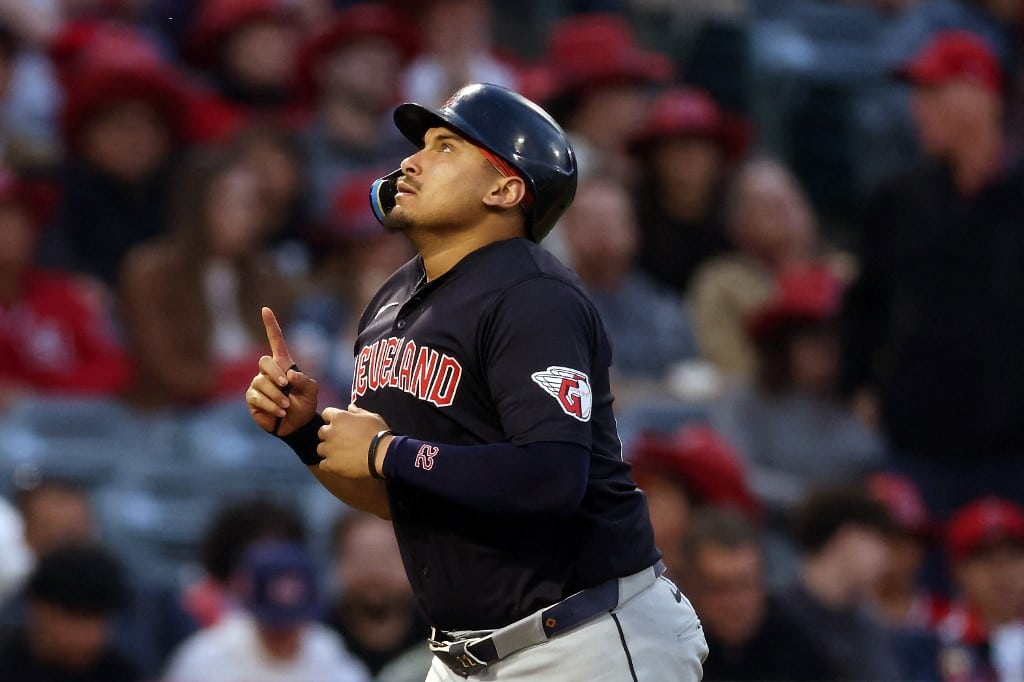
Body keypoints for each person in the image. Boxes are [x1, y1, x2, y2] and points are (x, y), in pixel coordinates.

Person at [245, 83, 708, 680]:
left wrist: (387, 450)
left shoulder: (532, 294)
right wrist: (306, 434)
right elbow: (404, 496)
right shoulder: (390, 303)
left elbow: (551, 477)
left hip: (584, 638)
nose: (409, 161)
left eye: (444, 147)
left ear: (505, 188)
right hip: (468, 656)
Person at [839, 30, 1024, 514]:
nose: (917, 109)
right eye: (918, 94)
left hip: (1014, 447)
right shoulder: (897, 200)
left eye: (933, 92)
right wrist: (857, 383)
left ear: (982, 96)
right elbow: (865, 302)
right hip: (920, 445)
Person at [119, 145, 293, 409]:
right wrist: (246, 374)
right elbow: (167, 371)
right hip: (178, 416)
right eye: (234, 204)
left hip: (254, 412)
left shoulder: (264, 275)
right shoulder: (152, 272)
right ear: (199, 207)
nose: (247, 218)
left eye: (253, 206)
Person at [164, 539, 368, 682]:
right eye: (274, 622)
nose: (283, 632)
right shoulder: (209, 653)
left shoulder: (328, 652)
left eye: (293, 621)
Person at [682, 508, 834, 681]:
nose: (734, 603)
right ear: (692, 589)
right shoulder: (670, 651)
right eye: (718, 588)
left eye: (744, 585)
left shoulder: (798, 644)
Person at [776, 485, 903, 680]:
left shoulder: (867, 624)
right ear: (847, 538)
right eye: (878, 541)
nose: (885, 557)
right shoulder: (775, 615)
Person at [0, 542, 142, 681]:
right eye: (78, 619)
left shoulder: (119, 673)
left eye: (98, 620)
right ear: (39, 608)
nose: (90, 636)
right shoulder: (6, 662)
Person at [324, 512, 431, 681]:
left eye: (387, 557)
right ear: (338, 563)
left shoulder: (441, 641)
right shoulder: (316, 640)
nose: (375, 571)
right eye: (361, 557)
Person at [935, 497, 1024, 681]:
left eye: (1014, 555)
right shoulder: (937, 636)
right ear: (957, 570)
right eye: (984, 557)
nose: (1002, 570)